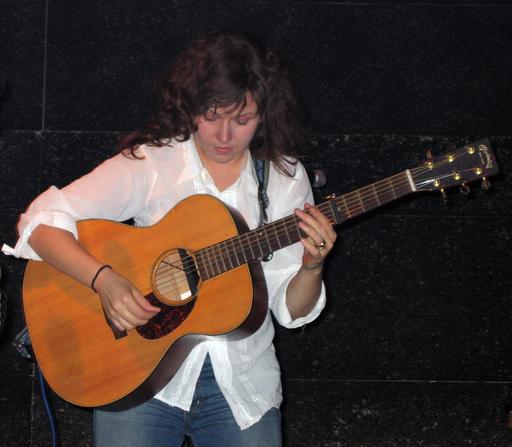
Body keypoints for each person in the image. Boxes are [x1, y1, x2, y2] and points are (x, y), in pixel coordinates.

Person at [4, 31, 336, 447]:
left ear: (265, 115)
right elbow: (39, 224)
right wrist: (104, 280)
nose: (224, 135)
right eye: (211, 115)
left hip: (242, 384)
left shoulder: (285, 178)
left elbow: (290, 310)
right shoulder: (155, 162)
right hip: (135, 373)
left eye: (242, 120)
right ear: (190, 106)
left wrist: (312, 266)